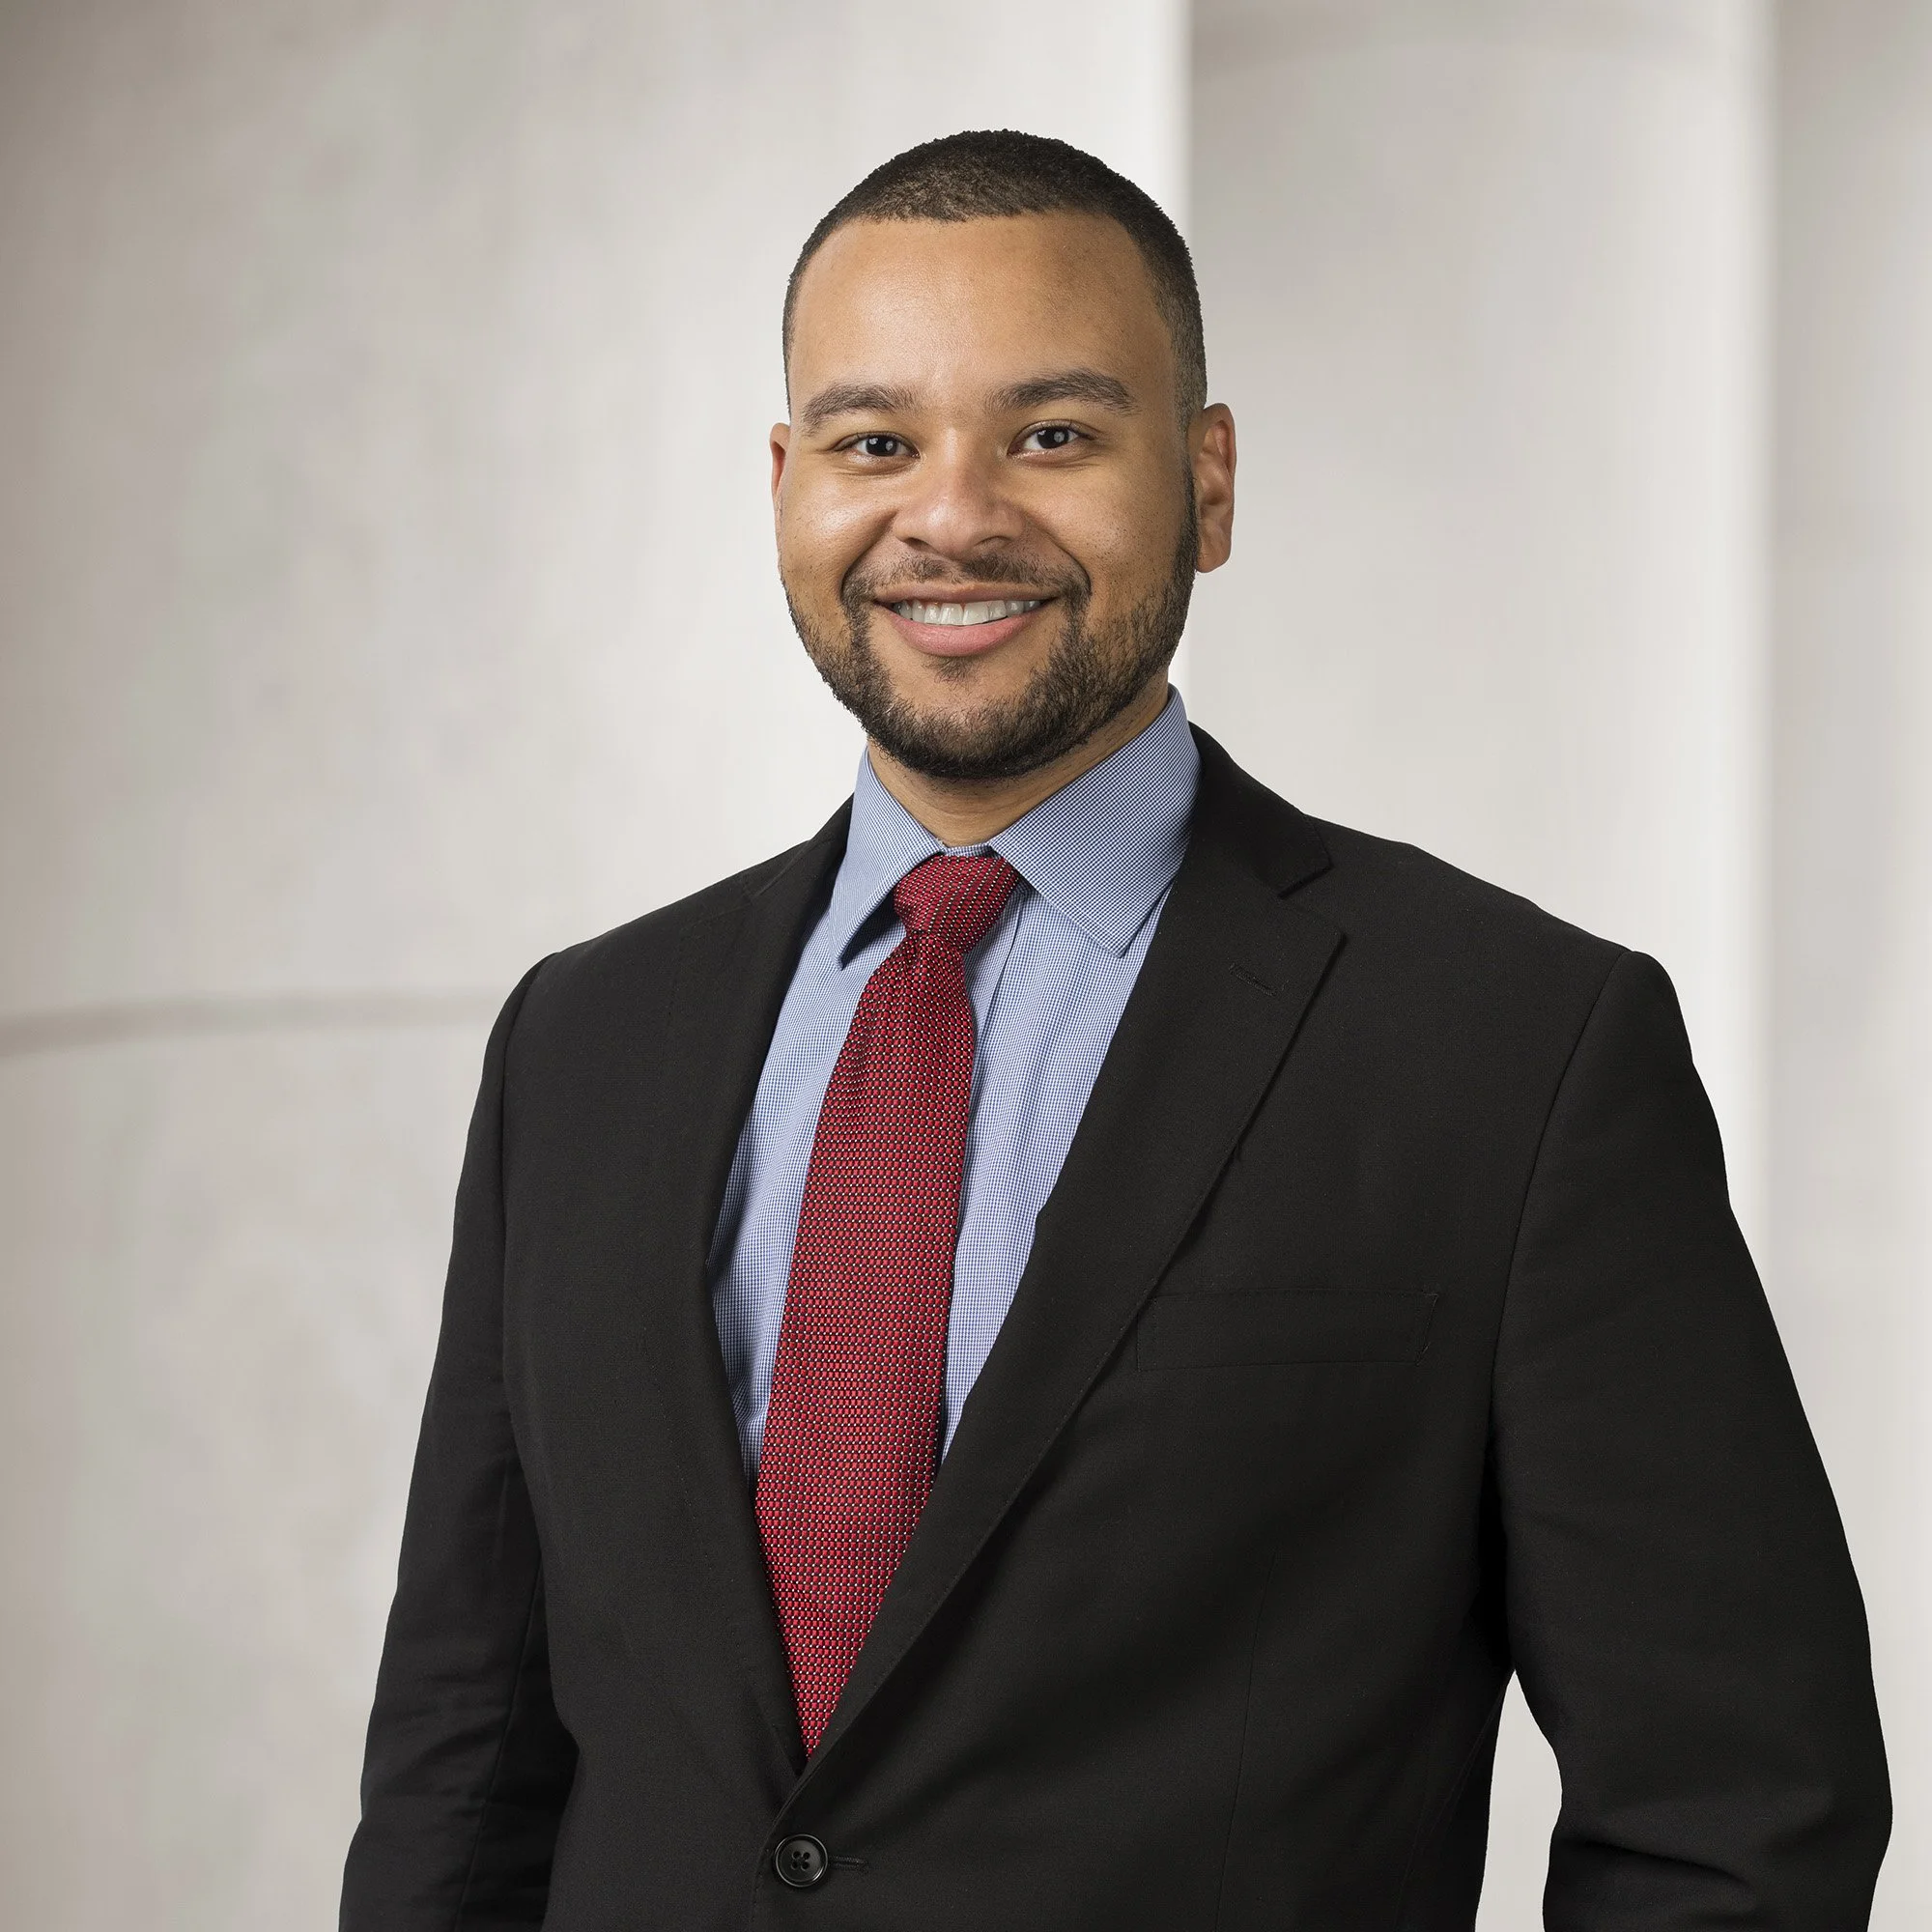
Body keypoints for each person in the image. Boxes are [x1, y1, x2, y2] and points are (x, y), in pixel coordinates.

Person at [340, 130, 1889, 1930]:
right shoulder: (581, 1045)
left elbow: (1735, 1808)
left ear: (1208, 483)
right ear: (785, 485)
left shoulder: (1517, 1049)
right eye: (873, 442)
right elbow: (465, 1759)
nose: (952, 513)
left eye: (1054, 435)